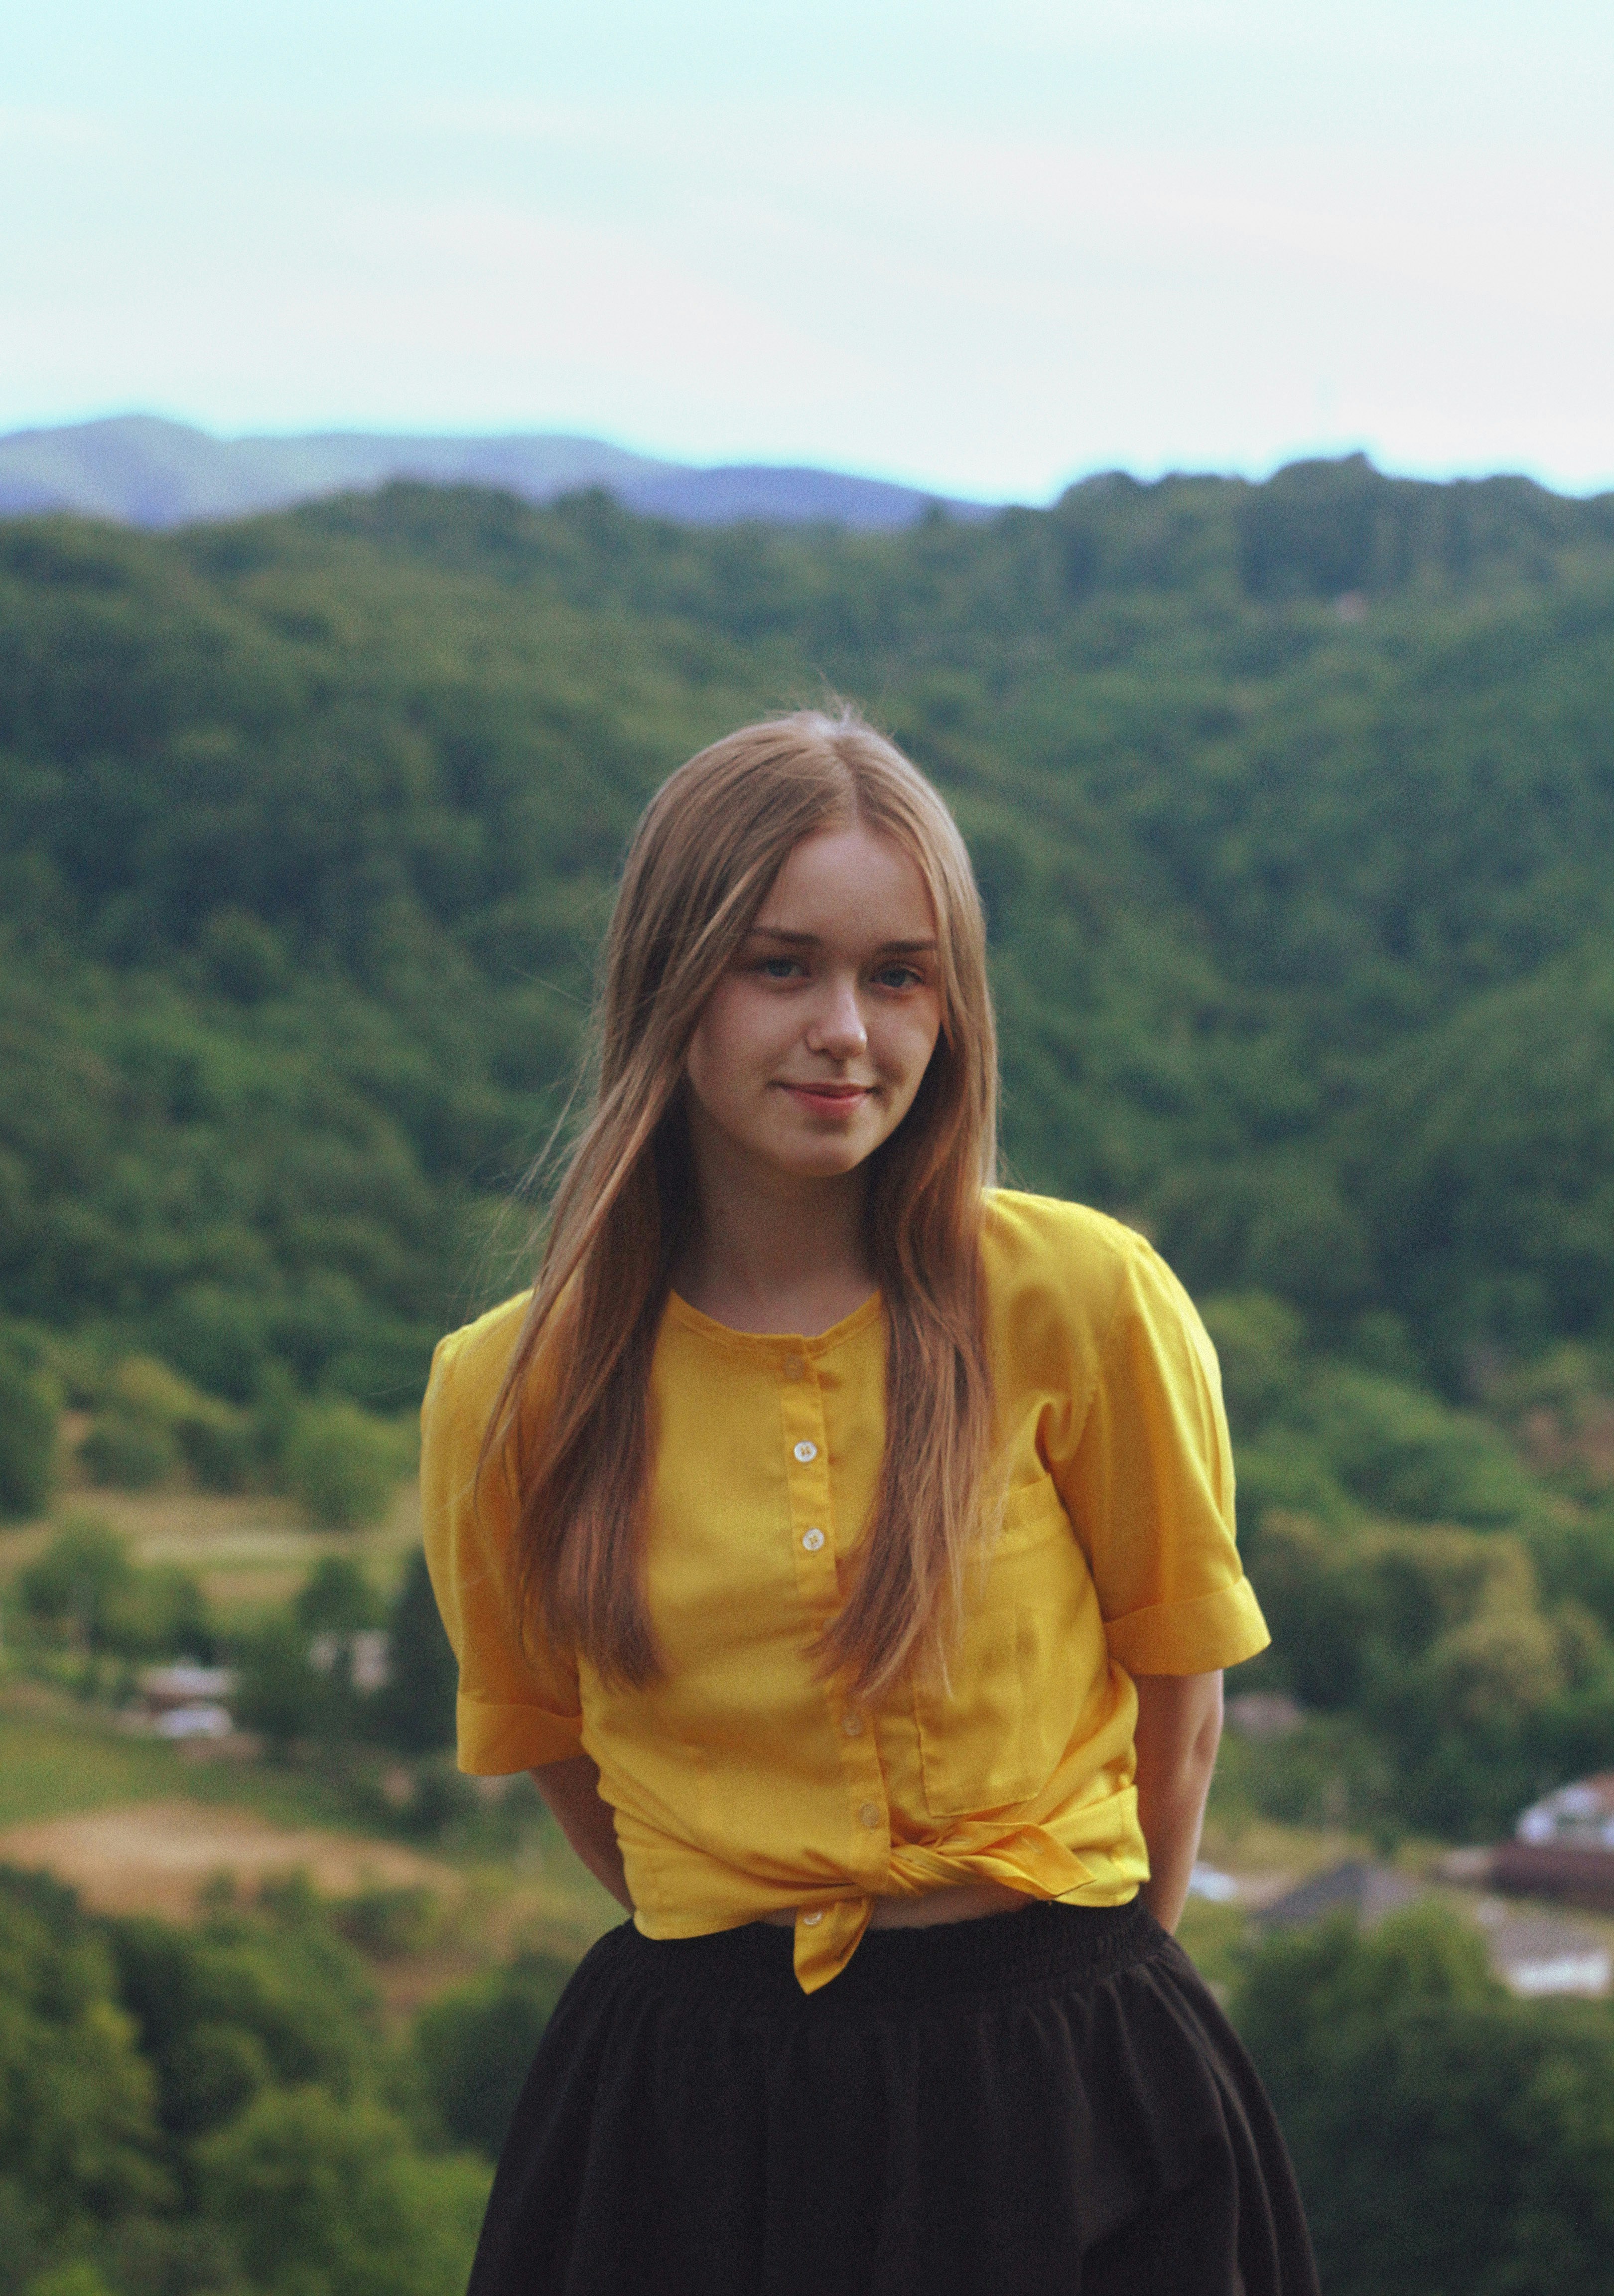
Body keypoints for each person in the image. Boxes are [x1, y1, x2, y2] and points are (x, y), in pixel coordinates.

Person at [420, 707, 1319, 2296]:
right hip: (694, 2121)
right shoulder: (510, 1392)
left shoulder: (1085, 1299)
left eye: (898, 974)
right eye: (782, 966)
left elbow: (1180, 1707)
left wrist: (1068, 1999)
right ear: (670, 985)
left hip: (1079, 2086)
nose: (847, 1027)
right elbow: (564, 1757)